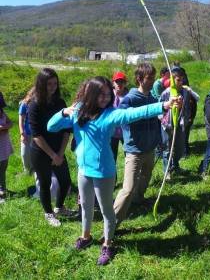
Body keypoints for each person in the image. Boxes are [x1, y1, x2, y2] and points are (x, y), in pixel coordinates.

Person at [47, 76, 179, 265]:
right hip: (84, 171)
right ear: (90, 94)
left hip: (103, 172)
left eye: (108, 95)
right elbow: (50, 127)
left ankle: (108, 244)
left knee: (106, 210)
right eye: (101, 95)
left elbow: (134, 113)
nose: (105, 98)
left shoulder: (110, 114)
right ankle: (86, 237)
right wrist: (64, 112)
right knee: (85, 206)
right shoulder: (78, 112)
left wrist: (164, 105)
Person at [113, 63, 162, 227]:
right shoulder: (130, 99)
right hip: (135, 150)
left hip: (150, 148)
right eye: (149, 78)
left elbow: (157, 120)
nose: (152, 81)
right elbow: (121, 117)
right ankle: (112, 222)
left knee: (146, 177)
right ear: (139, 79)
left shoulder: (153, 98)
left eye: (154, 78)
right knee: (127, 188)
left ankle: (138, 199)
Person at [28, 68, 72, 227]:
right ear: (41, 84)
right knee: (45, 183)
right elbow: (36, 135)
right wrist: (52, 155)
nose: (53, 87)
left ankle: (59, 207)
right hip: (40, 152)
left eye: (55, 83)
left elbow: (67, 129)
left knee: (66, 181)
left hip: (58, 151)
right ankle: (49, 213)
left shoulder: (60, 103)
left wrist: (60, 153)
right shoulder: (34, 106)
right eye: (49, 84)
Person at [160, 67, 199, 177]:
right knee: (167, 149)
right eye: (178, 80)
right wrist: (163, 119)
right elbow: (159, 107)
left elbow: (197, 98)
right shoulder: (167, 92)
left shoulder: (185, 91)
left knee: (179, 148)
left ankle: (175, 166)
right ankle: (166, 171)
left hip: (180, 124)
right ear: (172, 80)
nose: (181, 82)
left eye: (182, 80)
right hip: (168, 125)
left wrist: (190, 90)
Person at [110, 71, 128, 163]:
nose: (119, 84)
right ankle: (113, 177)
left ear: (125, 83)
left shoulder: (129, 96)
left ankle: (129, 177)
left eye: (122, 82)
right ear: (113, 83)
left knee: (129, 156)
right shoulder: (109, 95)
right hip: (112, 132)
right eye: (117, 82)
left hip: (125, 132)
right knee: (112, 158)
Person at [0, 92, 13, 200]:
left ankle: (2, 188)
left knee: (3, 169)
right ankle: (1, 193)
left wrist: (4, 126)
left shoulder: (2, 112)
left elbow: (10, 123)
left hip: (4, 146)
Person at [19, 87, 35, 173]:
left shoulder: (39, 104)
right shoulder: (24, 104)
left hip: (37, 134)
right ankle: (26, 169)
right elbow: (20, 120)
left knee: (34, 152)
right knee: (24, 153)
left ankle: (33, 168)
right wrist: (22, 133)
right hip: (26, 133)